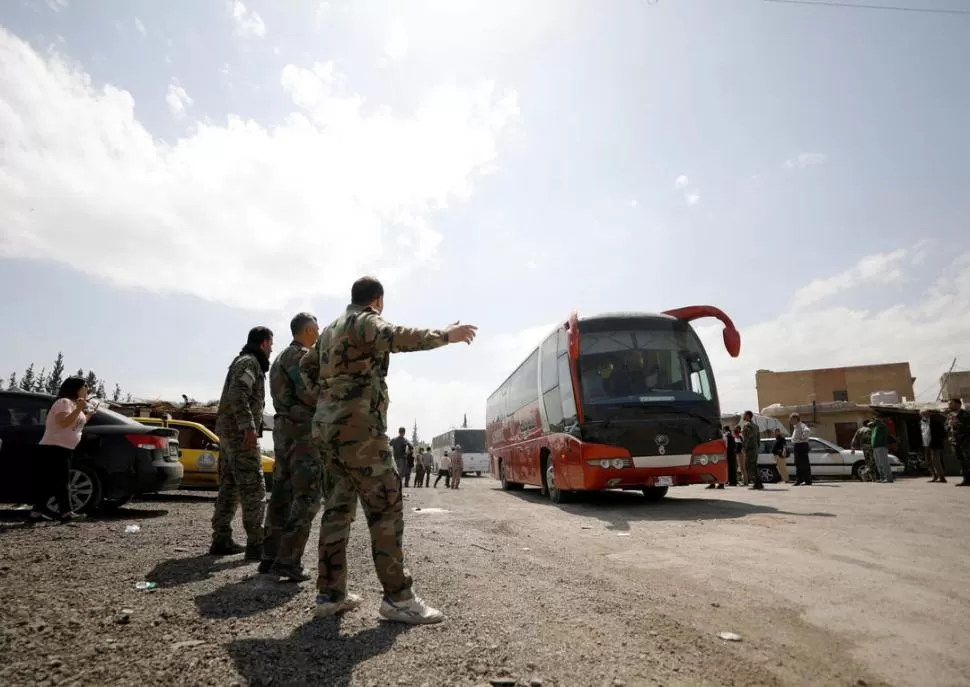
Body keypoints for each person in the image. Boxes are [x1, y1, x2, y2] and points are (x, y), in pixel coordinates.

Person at [299, 276, 477, 623]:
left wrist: (327, 396)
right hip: (359, 430)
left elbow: (306, 367)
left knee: (337, 510)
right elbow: (396, 336)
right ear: (377, 301)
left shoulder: (330, 330)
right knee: (385, 507)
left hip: (327, 430)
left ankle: (329, 595)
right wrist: (445, 335)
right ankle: (398, 597)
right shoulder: (364, 320)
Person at [259, 313, 321, 581]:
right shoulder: (301, 356)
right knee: (308, 494)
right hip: (302, 430)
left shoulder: (280, 357)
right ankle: (289, 560)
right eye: (316, 329)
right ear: (308, 330)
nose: (319, 333)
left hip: (284, 429)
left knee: (281, 493)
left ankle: (270, 556)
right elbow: (311, 393)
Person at [210, 326, 273, 559]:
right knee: (254, 487)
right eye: (271, 344)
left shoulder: (244, 361)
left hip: (229, 433)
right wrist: (248, 427)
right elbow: (238, 393)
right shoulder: (250, 362)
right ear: (264, 343)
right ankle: (257, 544)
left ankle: (221, 540)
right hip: (239, 435)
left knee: (230, 485)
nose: (271, 349)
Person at [29, 376, 96, 522]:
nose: (87, 389)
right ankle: (66, 513)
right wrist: (79, 408)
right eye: (85, 386)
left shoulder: (74, 404)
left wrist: (89, 414)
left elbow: (77, 423)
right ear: (76, 388)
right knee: (61, 481)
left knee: (50, 482)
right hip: (53, 447)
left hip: (64, 448)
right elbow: (63, 422)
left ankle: (36, 513)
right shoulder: (63, 402)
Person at [946, 398, 970, 487]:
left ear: (958, 404)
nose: (949, 405)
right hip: (956, 442)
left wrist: (958, 425)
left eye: (951, 403)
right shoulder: (949, 415)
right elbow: (946, 426)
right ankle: (966, 479)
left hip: (966, 441)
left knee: (968, 460)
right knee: (961, 461)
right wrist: (949, 426)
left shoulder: (966, 414)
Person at [920, 410, 947, 484]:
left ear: (929, 414)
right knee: (928, 461)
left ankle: (942, 477)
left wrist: (936, 440)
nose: (924, 415)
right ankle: (934, 476)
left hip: (935, 444)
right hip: (925, 444)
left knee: (935, 460)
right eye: (922, 414)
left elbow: (943, 434)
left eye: (925, 413)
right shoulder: (921, 422)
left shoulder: (935, 422)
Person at [741, 411, 763, 490]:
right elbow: (758, 438)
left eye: (744, 415)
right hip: (755, 449)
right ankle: (759, 483)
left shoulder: (747, 426)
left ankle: (757, 483)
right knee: (754, 466)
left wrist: (744, 448)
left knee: (749, 467)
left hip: (750, 449)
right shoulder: (756, 426)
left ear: (748, 416)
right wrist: (757, 447)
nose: (743, 416)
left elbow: (747, 439)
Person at [790, 413, 812, 486]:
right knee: (798, 464)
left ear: (796, 419)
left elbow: (807, 431)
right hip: (797, 446)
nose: (791, 421)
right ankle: (799, 480)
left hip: (801, 446)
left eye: (792, 419)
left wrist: (802, 438)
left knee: (804, 464)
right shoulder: (796, 427)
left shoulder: (802, 425)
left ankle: (808, 481)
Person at [870, 416, 894, 484]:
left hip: (881, 447)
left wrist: (876, 420)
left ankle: (888, 478)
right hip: (875, 447)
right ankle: (882, 477)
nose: (872, 422)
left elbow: (879, 423)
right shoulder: (874, 428)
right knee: (878, 463)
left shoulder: (882, 426)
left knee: (884, 463)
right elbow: (869, 425)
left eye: (874, 420)